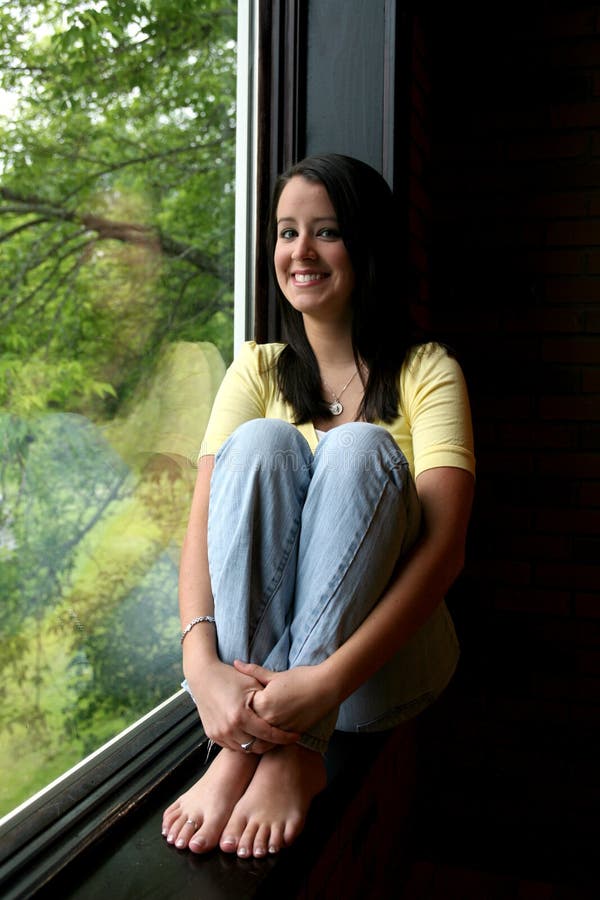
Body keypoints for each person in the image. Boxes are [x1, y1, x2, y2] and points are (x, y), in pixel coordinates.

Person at [161, 153, 475, 859]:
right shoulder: (258, 368)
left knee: (357, 450)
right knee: (264, 443)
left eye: (325, 231)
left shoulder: (428, 370)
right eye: (285, 231)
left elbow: (445, 551)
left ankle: (283, 750)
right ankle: (251, 743)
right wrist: (200, 666)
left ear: (365, 243)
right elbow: (204, 529)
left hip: (375, 673)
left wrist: (323, 685)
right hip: (262, 689)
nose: (298, 251)